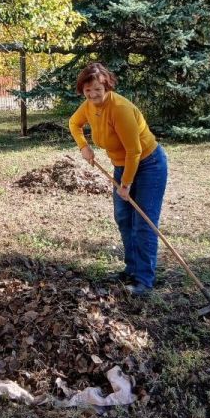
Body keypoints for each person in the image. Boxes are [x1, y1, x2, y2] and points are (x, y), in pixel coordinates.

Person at [68, 62, 168, 297]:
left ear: (107, 87)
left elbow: (134, 151)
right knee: (123, 217)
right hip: (122, 165)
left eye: (97, 89)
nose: (93, 95)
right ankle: (131, 269)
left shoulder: (120, 109)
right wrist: (84, 146)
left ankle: (144, 280)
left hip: (149, 165)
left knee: (143, 222)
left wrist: (126, 185)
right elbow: (74, 123)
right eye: (88, 90)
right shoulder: (88, 106)